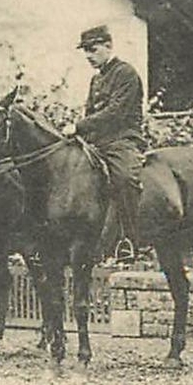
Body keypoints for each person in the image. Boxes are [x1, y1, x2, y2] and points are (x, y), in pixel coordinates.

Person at [59, 25, 145, 260]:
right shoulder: (96, 79)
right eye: (85, 50)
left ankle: (130, 241)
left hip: (122, 140)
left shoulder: (125, 73)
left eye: (92, 49)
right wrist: (78, 135)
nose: (88, 56)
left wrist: (79, 126)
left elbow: (116, 112)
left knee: (126, 178)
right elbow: (89, 113)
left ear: (108, 46)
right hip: (97, 142)